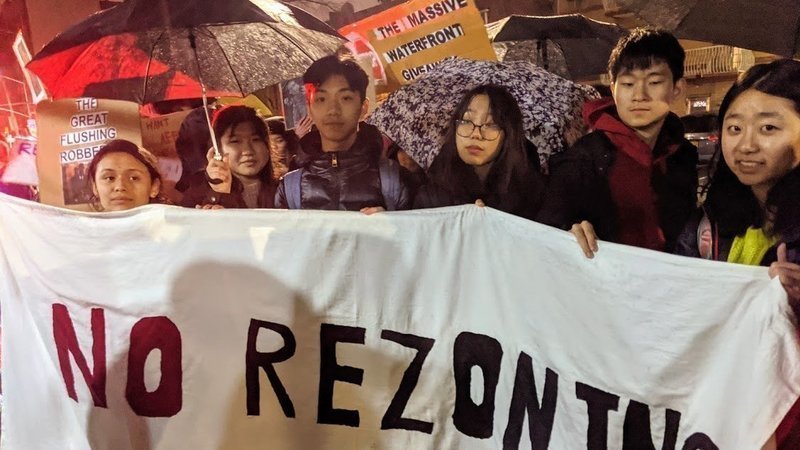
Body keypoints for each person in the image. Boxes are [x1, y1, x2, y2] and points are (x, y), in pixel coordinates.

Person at [673, 59, 800, 450]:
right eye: (734, 128)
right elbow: (676, 301)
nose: (746, 145)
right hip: (722, 414)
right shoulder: (706, 225)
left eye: (768, 128)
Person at [537, 27, 697, 257]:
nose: (639, 96)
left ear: (677, 89)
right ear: (613, 90)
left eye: (654, 82)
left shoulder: (683, 155)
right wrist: (567, 230)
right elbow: (548, 230)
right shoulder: (582, 159)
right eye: (628, 84)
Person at [274, 54, 409, 213]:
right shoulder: (290, 189)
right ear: (309, 109)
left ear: (363, 108)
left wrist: (393, 223)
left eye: (345, 98)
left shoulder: (396, 182)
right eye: (321, 99)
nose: (333, 110)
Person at [413, 84, 545, 219]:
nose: (476, 134)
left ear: (509, 134)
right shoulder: (432, 195)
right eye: (466, 121)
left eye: (491, 124)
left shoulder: (533, 195)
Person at [180, 105, 277, 209]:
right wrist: (220, 192)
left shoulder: (285, 188)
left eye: (256, 139)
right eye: (235, 141)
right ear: (217, 149)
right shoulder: (199, 193)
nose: (248, 151)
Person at [88, 139, 165, 211]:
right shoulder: (82, 221)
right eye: (110, 178)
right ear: (95, 187)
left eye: (134, 178)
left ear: (154, 187)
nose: (120, 187)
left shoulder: (170, 221)